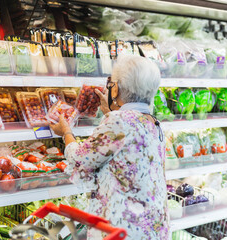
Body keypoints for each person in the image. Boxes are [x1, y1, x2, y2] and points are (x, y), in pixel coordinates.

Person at [50, 55, 169, 239]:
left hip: (123, 229)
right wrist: (111, 112)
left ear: (117, 88)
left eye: (110, 83)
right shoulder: (154, 123)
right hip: (152, 228)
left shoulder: (120, 121)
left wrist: (66, 131)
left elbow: (81, 157)